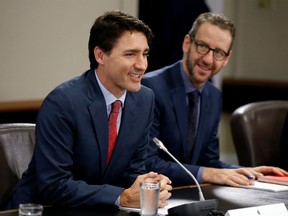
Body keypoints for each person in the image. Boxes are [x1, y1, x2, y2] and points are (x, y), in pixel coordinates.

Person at [6, 10, 172, 210]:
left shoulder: (145, 99)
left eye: (144, 54)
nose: (142, 65)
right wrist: (122, 196)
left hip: (96, 207)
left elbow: (132, 170)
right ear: (100, 55)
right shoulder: (62, 102)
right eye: (130, 54)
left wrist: (148, 184)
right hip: (41, 209)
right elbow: (54, 185)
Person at [142, 12, 288, 187]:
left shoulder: (214, 96)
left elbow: (209, 162)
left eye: (218, 52)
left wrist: (249, 172)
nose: (208, 59)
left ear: (226, 58)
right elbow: (147, 163)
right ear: (187, 43)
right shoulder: (150, 88)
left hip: (192, 196)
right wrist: (207, 173)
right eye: (202, 46)